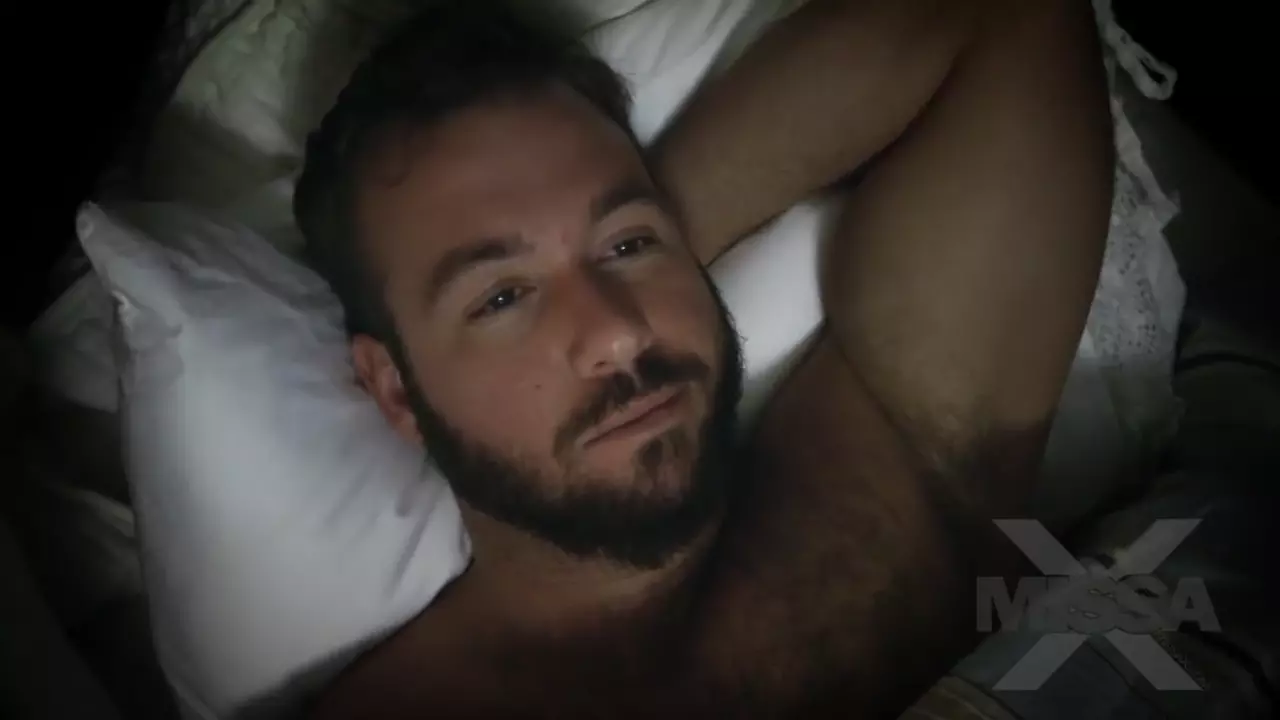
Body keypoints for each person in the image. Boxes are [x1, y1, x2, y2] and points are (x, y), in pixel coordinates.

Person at [292, 0, 1114, 715]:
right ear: (396, 393)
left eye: (628, 243)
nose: (619, 334)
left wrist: (657, 235)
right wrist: (621, 243)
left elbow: (1006, 16)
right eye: (502, 297)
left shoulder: (892, 481)